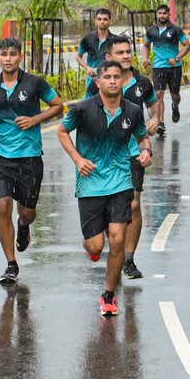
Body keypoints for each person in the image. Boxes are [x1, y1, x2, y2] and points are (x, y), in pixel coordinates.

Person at [57, 60, 152, 316]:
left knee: (118, 239)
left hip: (121, 180)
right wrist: (77, 159)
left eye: (116, 76)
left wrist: (146, 151)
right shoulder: (82, 109)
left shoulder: (132, 110)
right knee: (96, 246)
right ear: (97, 82)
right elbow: (62, 131)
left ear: (123, 80)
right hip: (90, 184)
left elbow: (142, 136)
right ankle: (92, 248)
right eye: (107, 77)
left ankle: (109, 296)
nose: (112, 81)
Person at [0, 38, 65, 286]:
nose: (8, 58)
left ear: (20, 57)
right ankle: (11, 264)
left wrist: (35, 119)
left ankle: (23, 225)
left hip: (29, 157)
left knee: (26, 212)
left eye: (13, 54)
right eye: (3, 54)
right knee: (2, 206)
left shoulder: (34, 83)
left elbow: (58, 106)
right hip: (0, 157)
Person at [87, 37, 159, 279]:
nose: (126, 56)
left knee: (134, 203)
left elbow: (153, 104)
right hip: (104, 154)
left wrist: (155, 119)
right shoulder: (97, 84)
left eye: (129, 51)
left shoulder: (142, 82)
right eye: (120, 52)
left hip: (133, 151)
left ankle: (128, 259)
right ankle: (113, 247)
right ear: (109, 58)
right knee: (110, 205)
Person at [143, 4, 190, 131]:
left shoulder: (176, 30)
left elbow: (187, 45)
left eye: (164, 13)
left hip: (174, 67)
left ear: (168, 14)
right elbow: (146, 45)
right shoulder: (151, 30)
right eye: (159, 13)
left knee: (175, 95)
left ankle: (175, 106)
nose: (162, 16)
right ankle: (160, 122)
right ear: (156, 14)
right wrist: (145, 58)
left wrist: (176, 58)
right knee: (158, 94)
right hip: (158, 67)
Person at [75, 8, 123, 94]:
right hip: (92, 79)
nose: (102, 22)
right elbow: (78, 57)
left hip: (110, 80)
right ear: (95, 21)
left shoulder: (115, 40)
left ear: (110, 21)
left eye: (105, 19)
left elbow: (120, 59)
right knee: (92, 104)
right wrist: (87, 68)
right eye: (99, 19)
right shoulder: (87, 39)